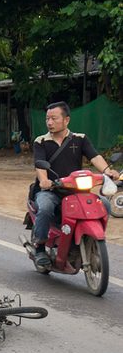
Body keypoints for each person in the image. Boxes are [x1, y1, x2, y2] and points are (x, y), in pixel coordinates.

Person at [31, 101, 119, 267]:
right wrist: (44, 181)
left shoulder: (80, 139)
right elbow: (39, 163)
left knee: (105, 205)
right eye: (47, 119)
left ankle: (92, 240)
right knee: (45, 208)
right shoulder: (41, 141)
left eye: (54, 118)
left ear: (66, 120)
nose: (49, 122)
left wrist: (107, 171)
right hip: (52, 190)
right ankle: (40, 248)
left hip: (76, 191)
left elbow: (94, 157)